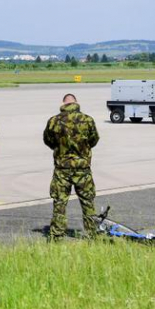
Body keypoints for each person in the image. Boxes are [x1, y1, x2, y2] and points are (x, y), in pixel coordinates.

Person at [43, 93, 100, 240]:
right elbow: (94, 140)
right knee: (87, 202)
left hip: (62, 168)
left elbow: (48, 141)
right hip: (82, 168)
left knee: (60, 202)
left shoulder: (54, 121)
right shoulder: (87, 120)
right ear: (76, 102)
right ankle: (91, 234)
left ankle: (57, 235)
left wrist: (61, 150)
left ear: (63, 103)